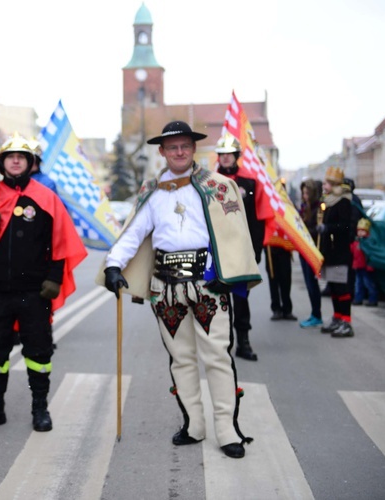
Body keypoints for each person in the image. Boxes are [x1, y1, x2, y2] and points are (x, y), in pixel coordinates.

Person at [101, 121, 261, 459]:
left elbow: (234, 233)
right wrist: (114, 265)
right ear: (162, 151)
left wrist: (228, 275)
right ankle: (194, 426)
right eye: (172, 147)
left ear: (193, 148)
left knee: (217, 357)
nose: (179, 151)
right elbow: (133, 233)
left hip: (208, 285)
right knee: (181, 358)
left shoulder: (218, 187)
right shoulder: (152, 192)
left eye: (184, 145)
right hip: (166, 290)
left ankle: (227, 430)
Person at [0, 133, 86, 432]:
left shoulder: (46, 198)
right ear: (2, 163)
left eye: (22, 156)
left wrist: (54, 279)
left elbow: (61, 243)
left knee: (39, 352)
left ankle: (40, 408)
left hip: (34, 291)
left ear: (30, 163)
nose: (16, 160)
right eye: (10, 157)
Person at [215, 134, 266, 360]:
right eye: (222, 154)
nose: (225, 158)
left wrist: (256, 250)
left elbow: (258, 218)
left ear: (236, 156)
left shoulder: (250, 182)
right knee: (217, 297)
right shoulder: (210, 181)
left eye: (229, 154)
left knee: (241, 298)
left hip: (241, 248)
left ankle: (243, 342)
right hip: (217, 249)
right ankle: (221, 344)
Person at [318, 167, 354, 338]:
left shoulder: (343, 201)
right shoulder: (329, 201)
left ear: (333, 184)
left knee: (341, 287)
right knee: (333, 286)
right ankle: (337, 318)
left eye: (326, 183)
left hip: (339, 252)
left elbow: (346, 226)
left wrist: (328, 228)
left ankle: (346, 322)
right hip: (330, 253)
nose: (323, 186)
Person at [298, 179, 324, 328]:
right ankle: (314, 314)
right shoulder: (305, 207)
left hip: (312, 249)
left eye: (307, 193)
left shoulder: (318, 209)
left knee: (312, 284)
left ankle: (316, 314)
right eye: (303, 193)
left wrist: (306, 233)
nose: (304, 195)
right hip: (304, 249)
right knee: (309, 284)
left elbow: (315, 230)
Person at [352, 218, 379, 307]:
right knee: (358, 284)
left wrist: (370, 265)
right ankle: (358, 299)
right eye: (359, 231)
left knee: (369, 284)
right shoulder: (356, 242)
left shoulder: (368, 243)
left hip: (366, 267)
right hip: (358, 267)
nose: (360, 233)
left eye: (362, 231)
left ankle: (373, 299)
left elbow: (370, 255)